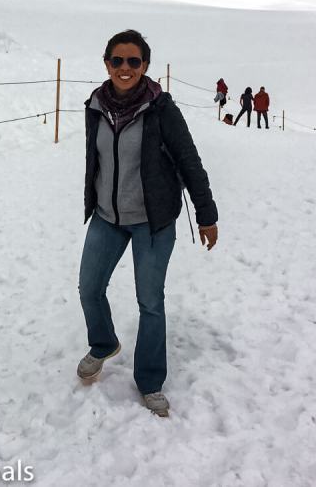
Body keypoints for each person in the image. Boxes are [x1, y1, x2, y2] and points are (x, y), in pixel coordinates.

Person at [78, 29, 219, 418]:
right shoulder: (95, 106)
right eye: (117, 61)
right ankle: (103, 343)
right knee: (89, 288)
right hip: (107, 218)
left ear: (145, 66)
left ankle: (150, 380)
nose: (125, 68)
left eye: (134, 62)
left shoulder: (162, 110)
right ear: (106, 63)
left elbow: (189, 160)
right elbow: (98, 161)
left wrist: (206, 214)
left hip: (151, 222)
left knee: (150, 302)